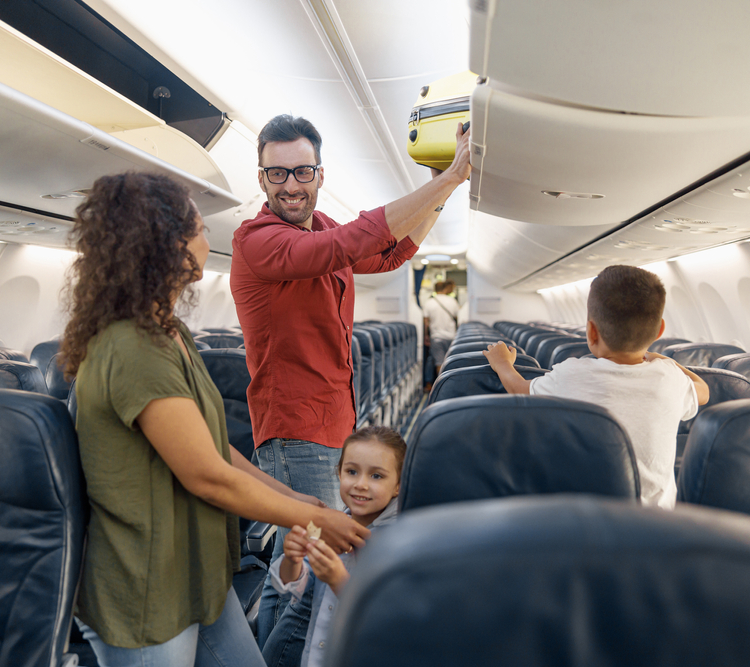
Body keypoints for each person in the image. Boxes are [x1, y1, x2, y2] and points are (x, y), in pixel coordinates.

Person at [60, 171, 368, 667]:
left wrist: (290, 496)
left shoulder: (167, 329)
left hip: (195, 572)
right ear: (165, 243)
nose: (210, 240)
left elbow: (212, 446)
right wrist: (315, 516)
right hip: (147, 592)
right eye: (200, 229)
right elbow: (206, 476)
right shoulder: (133, 347)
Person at [230, 114, 470, 639]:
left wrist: (443, 186)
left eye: (301, 171)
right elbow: (344, 246)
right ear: (261, 178)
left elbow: (390, 254)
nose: (290, 185)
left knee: (289, 574)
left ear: (319, 174)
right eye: (277, 174)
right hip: (294, 430)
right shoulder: (258, 240)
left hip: (336, 421)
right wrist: (448, 177)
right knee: (315, 574)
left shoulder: (321, 228)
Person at [484, 265, 709, 509]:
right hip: (656, 526)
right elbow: (703, 390)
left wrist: (502, 363)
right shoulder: (670, 379)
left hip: (586, 519)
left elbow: (519, 389)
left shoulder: (570, 374)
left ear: (591, 332)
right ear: (660, 331)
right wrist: (661, 359)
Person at [262, 426, 406, 667]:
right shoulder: (328, 526)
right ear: (339, 473)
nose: (361, 484)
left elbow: (389, 618)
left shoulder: (399, 540)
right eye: (352, 471)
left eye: (376, 476)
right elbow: (289, 587)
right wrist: (292, 559)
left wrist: (338, 580)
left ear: (398, 485)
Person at [423, 280, 460, 376]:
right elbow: (458, 318)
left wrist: (426, 336)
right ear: (445, 288)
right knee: (451, 362)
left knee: (439, 362)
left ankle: (440, 385)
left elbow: (426, 322)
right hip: (452, 337)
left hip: (436, 336)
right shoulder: (453, 301)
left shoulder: (429, 302)